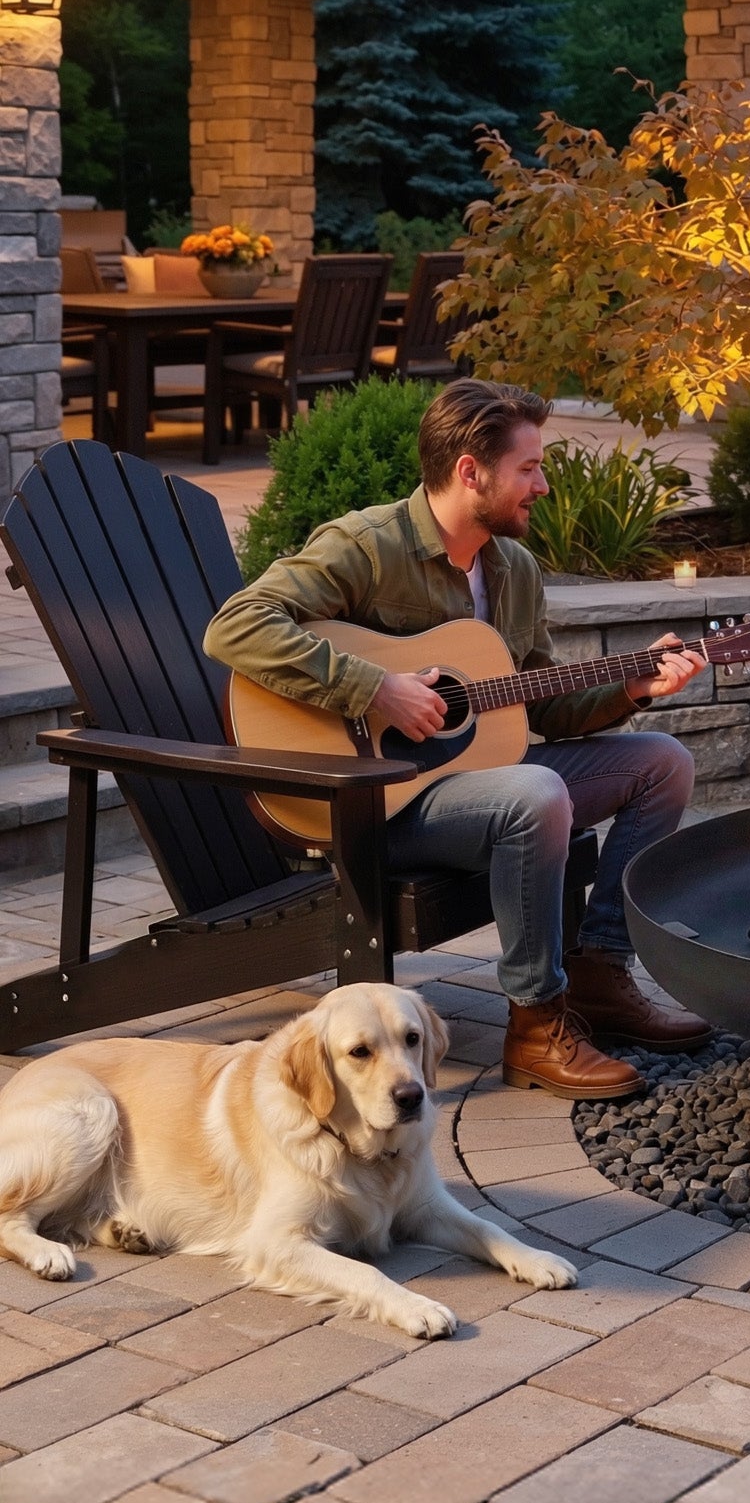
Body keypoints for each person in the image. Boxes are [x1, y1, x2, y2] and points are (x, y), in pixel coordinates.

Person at [205, 378, 712, 1101]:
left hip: (474, 786)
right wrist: (375, 688)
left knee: (664, 763)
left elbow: (544, 707)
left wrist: (633, 688)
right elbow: (236, 625)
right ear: (470, 471)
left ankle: (599, 974)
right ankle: (536, 1024)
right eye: (528, 469)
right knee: (534, 792)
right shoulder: (368, 546)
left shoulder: (514, 569)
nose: (542, 484)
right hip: (371, 805)